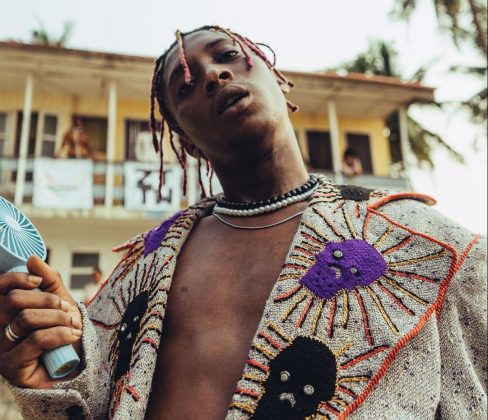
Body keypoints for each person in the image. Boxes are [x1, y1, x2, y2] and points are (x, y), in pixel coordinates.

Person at [0, 26, 486, 420]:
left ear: (276, 76)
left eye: (227, 55)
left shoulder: (426, 248)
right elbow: (85, 402)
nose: (214, 75)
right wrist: (48, 377)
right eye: (186, 86)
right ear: (186, 142)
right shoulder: (137, 274)